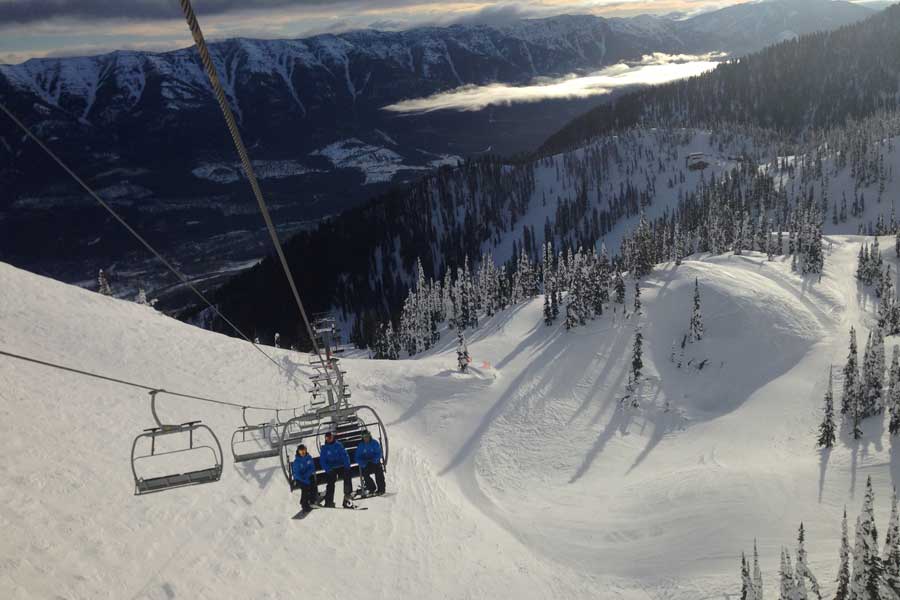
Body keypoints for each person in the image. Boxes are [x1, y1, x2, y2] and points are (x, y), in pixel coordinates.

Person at [320, 431, 353, 508]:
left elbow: (345, 455)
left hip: (341, 467)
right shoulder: (324, 449)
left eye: (330, 438)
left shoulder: (338, 445)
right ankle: (329, 501)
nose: (329, 439)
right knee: (330, 481)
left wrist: (346, 466)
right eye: (327, 438)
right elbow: (322, 461)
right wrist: (328, 469)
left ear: (333, 437)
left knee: (347, 475)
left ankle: (347, 497)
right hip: (331, 469)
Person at [355, 429, 385, 496]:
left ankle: (381, 489)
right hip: (366, 463)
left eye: (367, 436)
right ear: (362, 438)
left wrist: (375, 459)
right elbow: (357, 457)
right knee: (365, 474)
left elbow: (379, 453)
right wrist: (362, 463)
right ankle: (371, 488)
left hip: (375, 462)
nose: (366, 438)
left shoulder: (374, 443)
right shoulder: (361, 446)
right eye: (364, 437)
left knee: (379, 472)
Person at [291, 445, 317, 513]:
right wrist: (304, 478)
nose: (302, 452)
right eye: (301, 451)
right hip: (300, 479)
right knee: (305, 488)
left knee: (313, 484)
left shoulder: (309, 458)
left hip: (307, 476)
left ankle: (313, 500)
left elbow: (312, 468)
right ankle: (304, 505)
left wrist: (307, 475)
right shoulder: (297, 462)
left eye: (304, 450)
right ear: (298, 451)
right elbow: (296, 474)